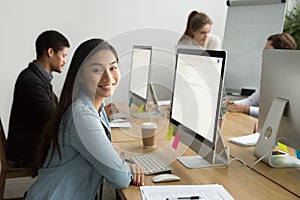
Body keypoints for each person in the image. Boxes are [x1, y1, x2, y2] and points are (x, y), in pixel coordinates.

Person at [25, 38, 144, 199]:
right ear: (80, 76)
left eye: (113, 67)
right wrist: (127, 167)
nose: (108, 77)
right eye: (97, 70)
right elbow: (120, 178)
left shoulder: (96, 108)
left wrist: (118, 158)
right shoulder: (81, 116)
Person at [6, 30, 70, 167]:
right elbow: (54, 116)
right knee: (80, 155)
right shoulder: (30, 81)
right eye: (63, 56)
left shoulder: (40, 78)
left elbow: (57, 110)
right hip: (28, 152)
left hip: (35, 146)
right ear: (51, 52)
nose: (65, 61)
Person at [226, 33, 297, 118]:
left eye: (267, 50)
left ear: (281, 54)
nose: (262, 55)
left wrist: (245, 109)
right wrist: (230, 104)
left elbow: (280, 114)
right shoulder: (269, 75)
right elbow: (252, 101)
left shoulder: (293, 81)